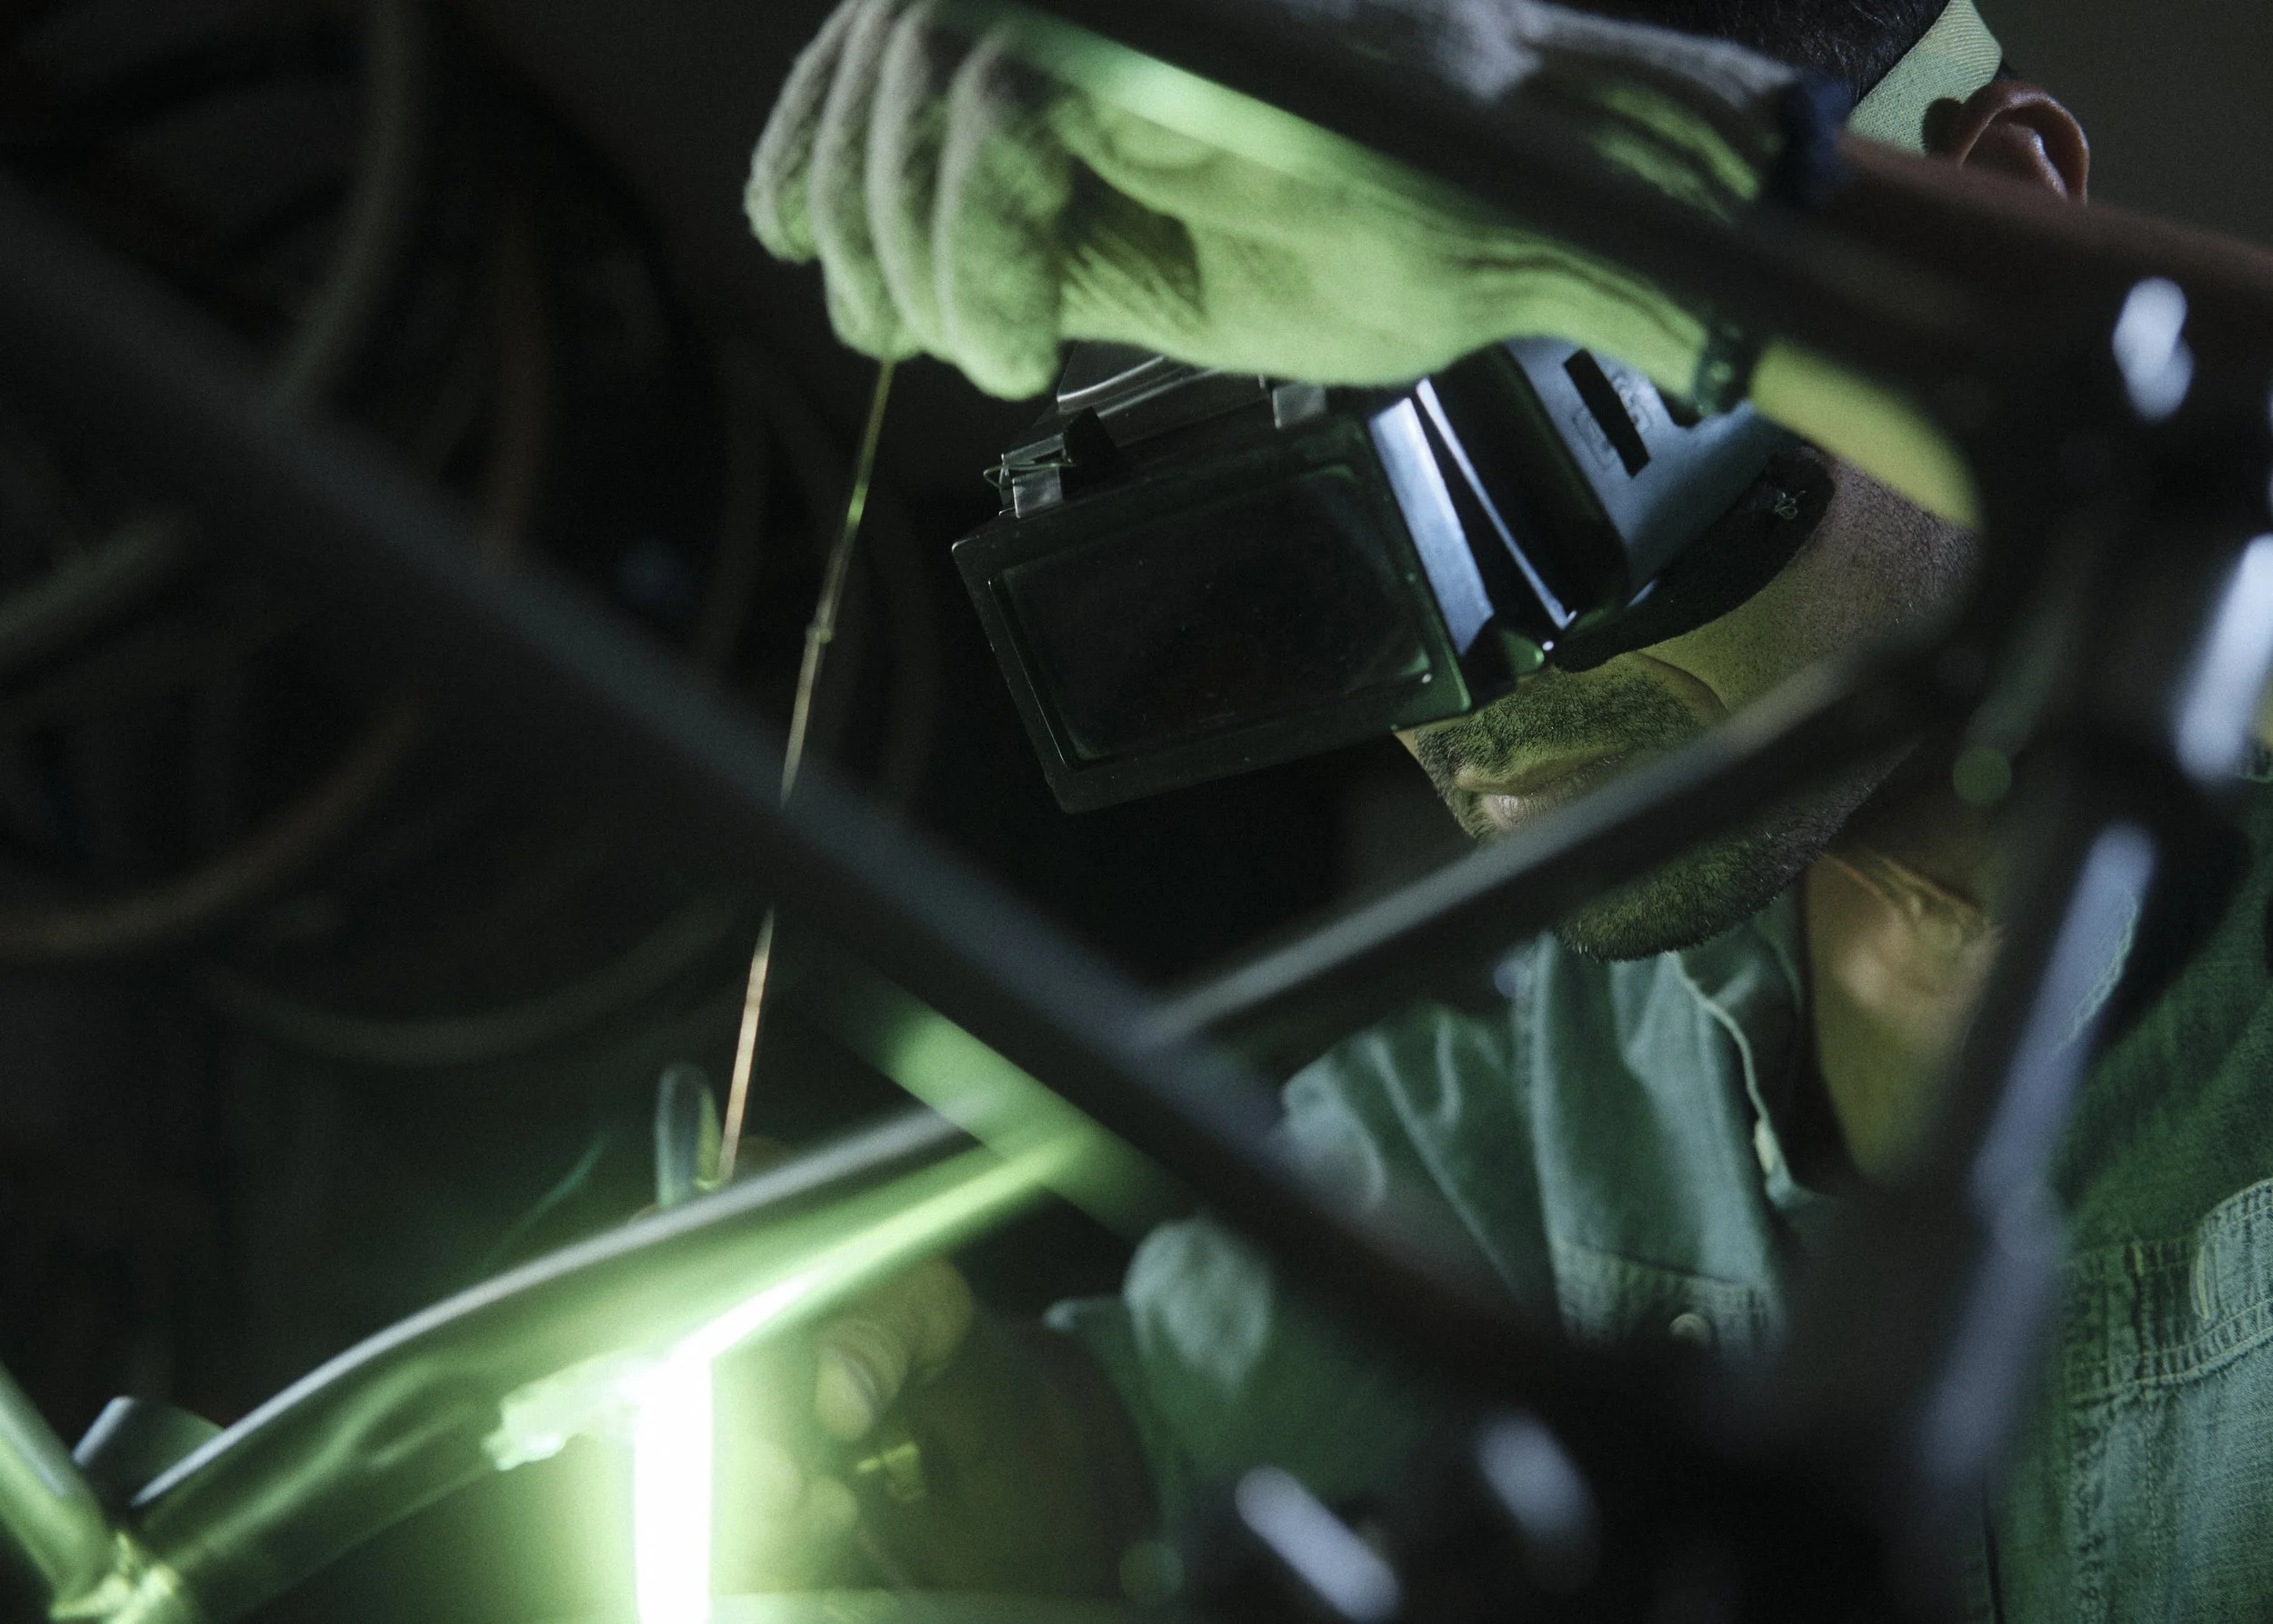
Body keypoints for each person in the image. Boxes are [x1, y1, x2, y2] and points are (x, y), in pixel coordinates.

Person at [734, 1, 2273, 1618]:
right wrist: (921, 1444)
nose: (1466, 697)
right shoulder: (1560, 1087)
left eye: (1535, 442)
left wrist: (1637, 175)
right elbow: (1118, 1465)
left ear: (2007, 200)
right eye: (1356, 525)